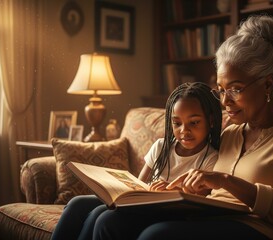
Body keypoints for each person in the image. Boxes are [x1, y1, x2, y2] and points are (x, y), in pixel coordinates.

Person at [90, 15, 273, 240]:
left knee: (154, 236)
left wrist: (225, 180)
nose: (224, 102)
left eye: (235, 89)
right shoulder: (231, 133)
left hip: (259, 229)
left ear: (267, 83)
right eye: (222, 90)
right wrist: (187, 189)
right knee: (109, 220)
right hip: (208, 218)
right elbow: (204, 179)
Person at [51, 81, 223, 240]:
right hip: (142, 204)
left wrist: (170, 191)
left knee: (104, 216)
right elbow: (138, 184)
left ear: (211, 121)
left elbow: (201, 201)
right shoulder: (161, 146)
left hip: (170, 214)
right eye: (177, 123)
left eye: (194, 123)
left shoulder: (211, 158)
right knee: (77, 203)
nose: (184, 131)